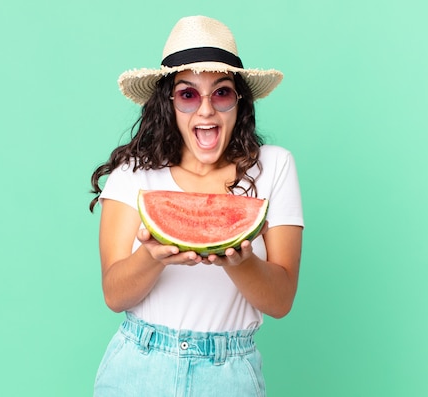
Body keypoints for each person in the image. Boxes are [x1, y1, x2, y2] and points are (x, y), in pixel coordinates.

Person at [89, 15, 304, 397]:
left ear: (239, 100)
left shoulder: (274, 166)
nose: (205, 110)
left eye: (220, 92)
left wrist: (241, 262)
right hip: (138, 367)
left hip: (229, 373)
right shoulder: (135, 171)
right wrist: (153, 256)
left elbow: (282, 300)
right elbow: (114, 295)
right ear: (168, 103)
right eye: (188, 94)